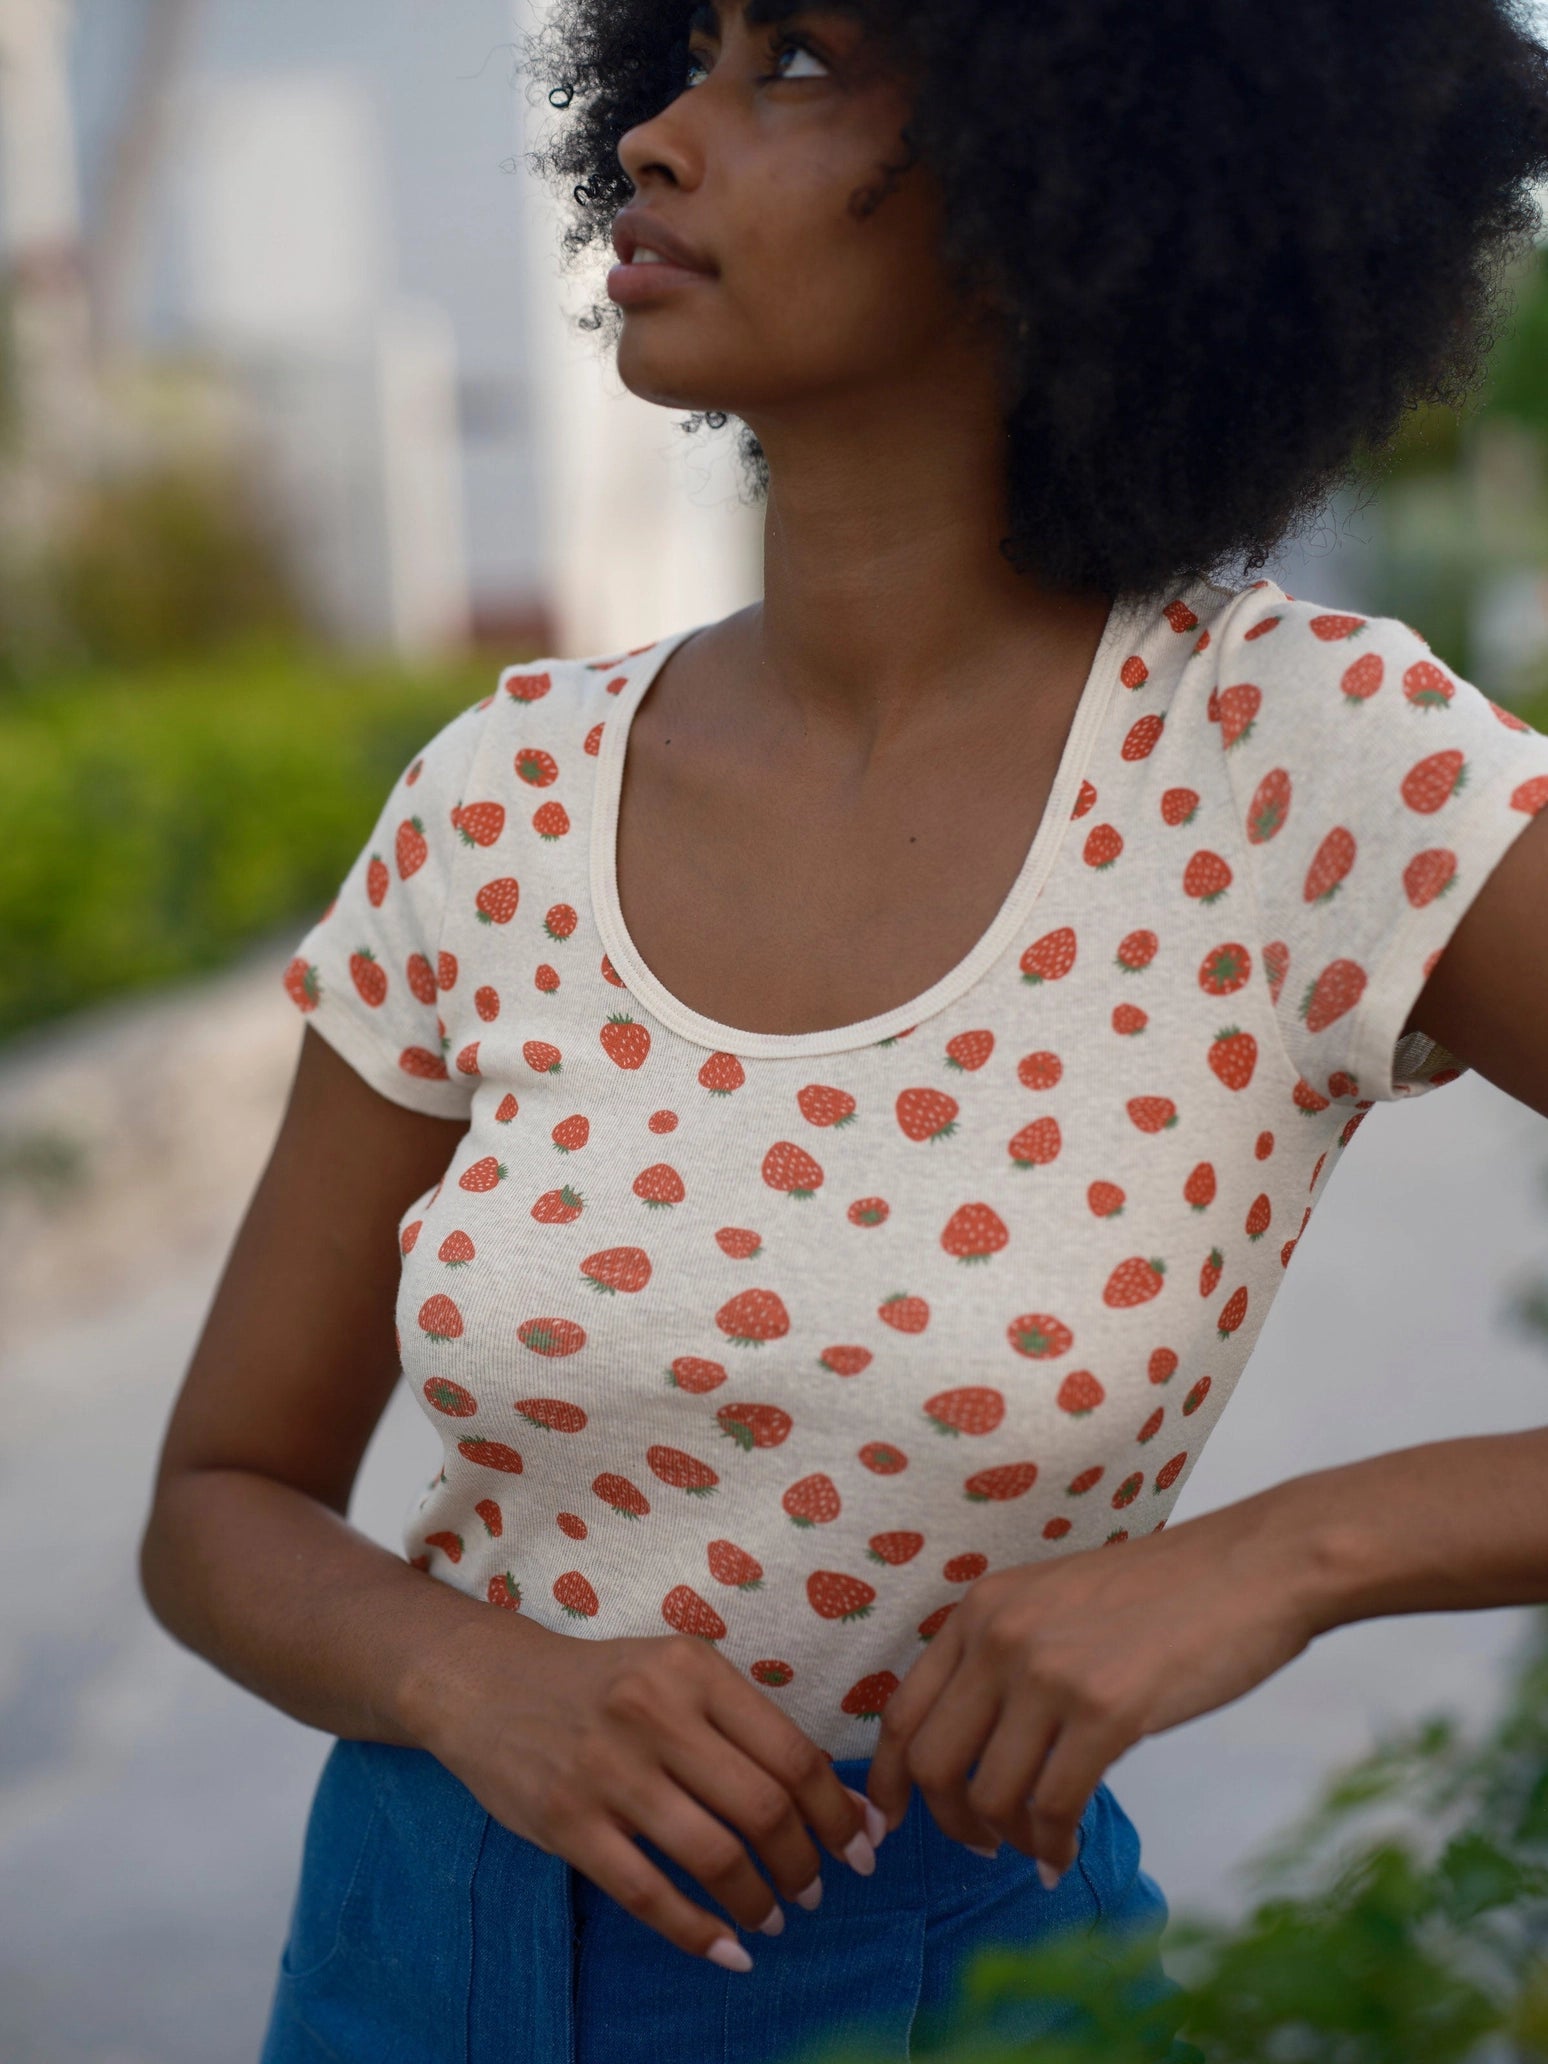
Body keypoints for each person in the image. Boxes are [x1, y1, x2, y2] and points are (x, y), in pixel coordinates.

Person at [138, 2, 1548, 2059]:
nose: (659, 135)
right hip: (412, 1957)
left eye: (793, 57)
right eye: (687, 50)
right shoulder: (500, 796)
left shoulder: (1310, 769)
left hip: (950, 1980)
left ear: (1076, 171)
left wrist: (1292, 1555)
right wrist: (466, 1679)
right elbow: (219, 1497)